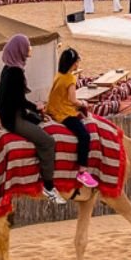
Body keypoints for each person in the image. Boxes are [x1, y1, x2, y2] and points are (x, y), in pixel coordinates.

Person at [0, 34, 64, 204]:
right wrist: (37, 108)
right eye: (27, 46)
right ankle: (48, 187)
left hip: (9, 114)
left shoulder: (8, 68)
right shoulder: (16, 72)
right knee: (47, 142)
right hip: (14, 118)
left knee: (39, 122)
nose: (29, 49)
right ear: (19, 50)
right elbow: (20, 101)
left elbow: (0, 93)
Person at [45, 48, 99, 189]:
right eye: (77, 61)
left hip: (52, 109)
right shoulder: (70, 78)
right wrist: (83, 103)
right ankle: (82, 171)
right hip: (63, 113)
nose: (78, 64)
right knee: (85, 136)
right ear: (73, 63)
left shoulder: (59, 75)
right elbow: (73, 100)